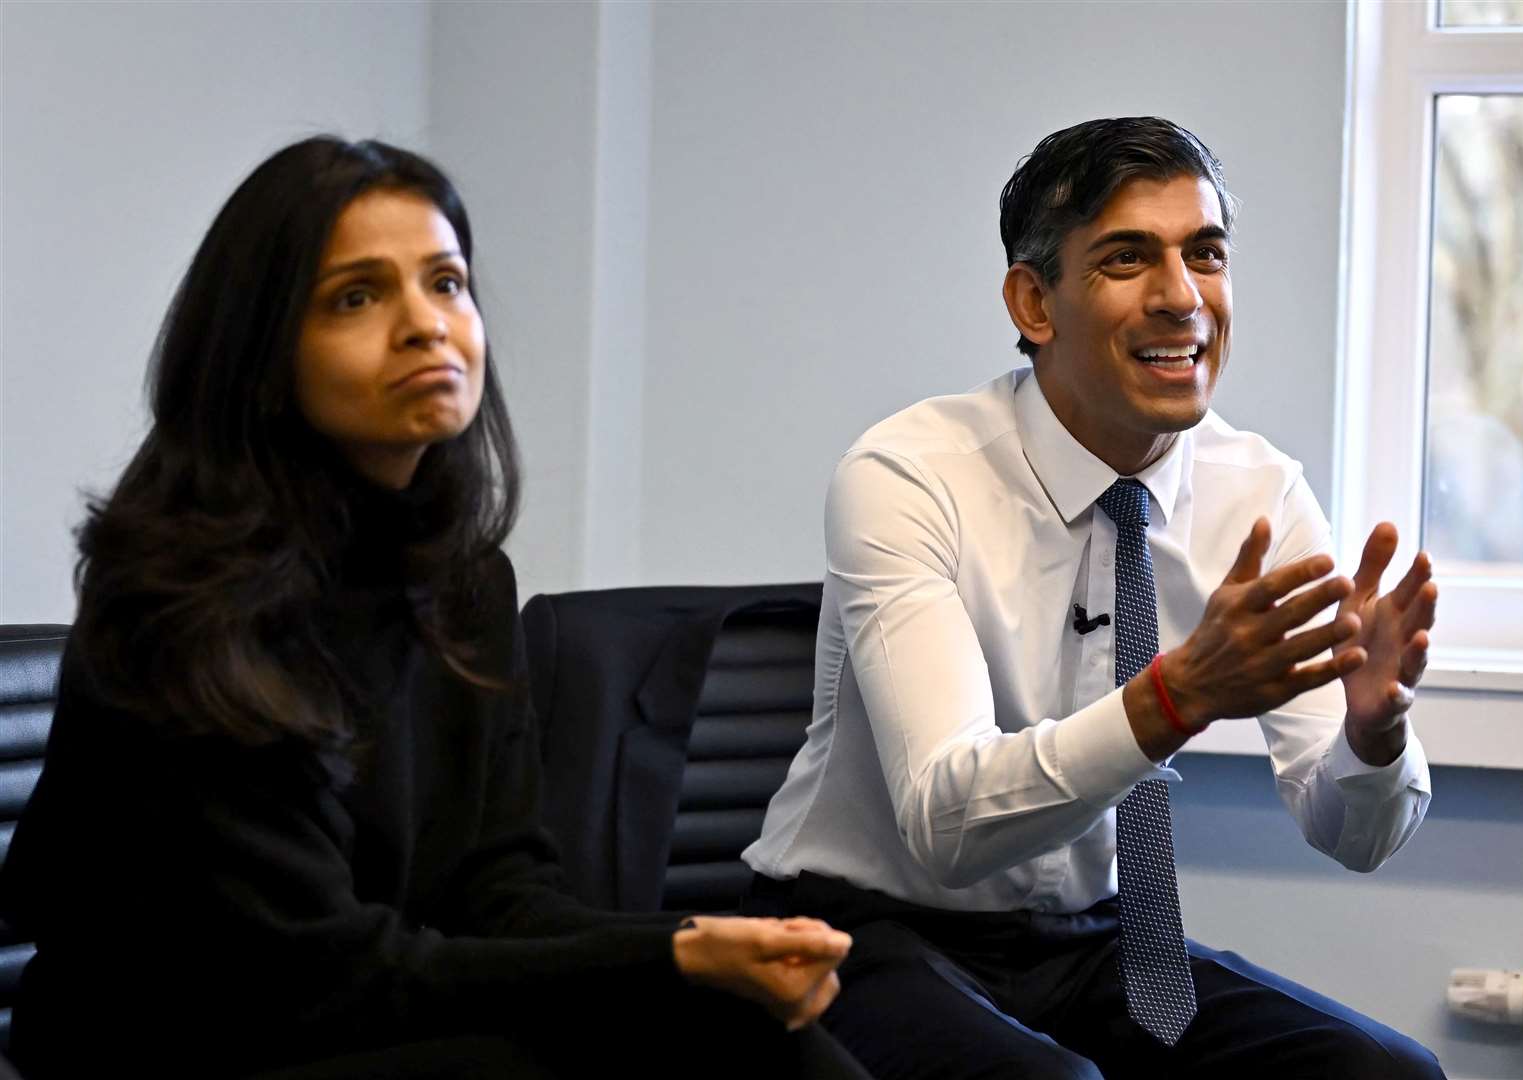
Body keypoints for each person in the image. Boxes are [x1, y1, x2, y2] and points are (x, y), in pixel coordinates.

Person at [0, 136, 871, 1080]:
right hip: (183, 1043)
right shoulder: (181, 606)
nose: (425, 325)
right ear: (260, 352)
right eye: (357, 297)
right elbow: (316, 972)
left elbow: (500, 889)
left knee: (742, 1023)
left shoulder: (462, 581)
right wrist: (665, 958)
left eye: (446, 283)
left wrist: (706, 948)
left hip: (370, 1004)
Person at [741, 117, 1446, 1078]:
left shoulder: (1259, 491)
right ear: (1035, 302)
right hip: (856, 932)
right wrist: (1176, 700)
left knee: (1387, 1074)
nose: (1182, 297)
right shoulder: (908, 473)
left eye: (1206, 253)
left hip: (1093, 941)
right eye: (1128, 259)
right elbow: (946, 825)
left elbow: (1355, 837)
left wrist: (1373, 735)